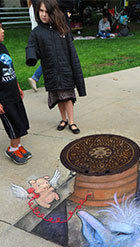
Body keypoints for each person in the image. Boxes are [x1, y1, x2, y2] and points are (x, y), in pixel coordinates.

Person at [26, 0, 86, 134]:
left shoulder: (63, 29)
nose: (43, 15)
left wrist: (74, 70)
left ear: (53, 12)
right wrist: (31, 56)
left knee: (68, 97)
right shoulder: (37, 32)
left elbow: (72, 52)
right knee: (59, 96)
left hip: (65, 70)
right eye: (41, 11)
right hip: (51, 71)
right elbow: (31, 46)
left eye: (47, 12)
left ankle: (71, 121)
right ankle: (63, 119)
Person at [0, 20, 30, 164]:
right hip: (3, 97)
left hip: (13, 92)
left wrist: (17, 86)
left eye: (1, 27)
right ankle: (12, 150)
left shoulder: (3, 47)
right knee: (12, 124)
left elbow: (10, 67)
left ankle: (18, 146)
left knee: (20, 121)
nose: (2, 30)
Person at [27, 0, 42, 93]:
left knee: (48, 59)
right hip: (39, 36)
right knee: (49, 59)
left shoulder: (31, 6)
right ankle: (34, 78)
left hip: (36, 35)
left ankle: (35, 78)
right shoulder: (37, 6)